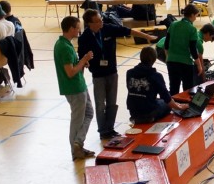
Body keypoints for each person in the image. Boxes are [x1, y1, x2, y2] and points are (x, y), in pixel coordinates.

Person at [78, 8, 131, 148]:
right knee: (100, 105)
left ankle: (110, 128)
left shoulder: (108, 29)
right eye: (97, 21)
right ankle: (103, 131)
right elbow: (82, 59)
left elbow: (128, 31)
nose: (101, 21)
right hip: (98, 76)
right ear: (90, 24)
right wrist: (85, 67)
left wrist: (147, 36)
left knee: (112, 103)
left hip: (112, 72)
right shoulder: (84, 38)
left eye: (101, 19)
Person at [55, 15, 95, 161]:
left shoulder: (65, 44)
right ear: (71, 28)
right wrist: (84, 60)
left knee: (89, 113)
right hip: (74, 88)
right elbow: (70, 72)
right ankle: (76, 149)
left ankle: (78, 143)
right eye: (78, 28)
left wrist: (81, 63)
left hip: (79, 85)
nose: (79, 30)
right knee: (77, 119)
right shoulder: (64, 47)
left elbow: (73, 67)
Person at [125, 46, 187, 123]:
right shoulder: (156, 76)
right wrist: (179, 107)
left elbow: (132, 90)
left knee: (157, 100)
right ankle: (150, 118)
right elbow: (166, 98)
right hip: (149, 113)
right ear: (154, 60)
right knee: (166, 103)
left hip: (133, 112)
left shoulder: (129, 73)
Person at [158, 3, 204, 95]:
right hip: (185, 63)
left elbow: (166, 44)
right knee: (188, 89)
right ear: (191, 15)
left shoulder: (173, 25)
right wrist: (199, 65)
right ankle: (186, 108)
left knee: (174, 88)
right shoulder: (192, 29)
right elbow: (193, 50)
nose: (195, 18)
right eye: (196, 15)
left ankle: (173, 108)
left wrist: (168, 58)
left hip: (171, 62)